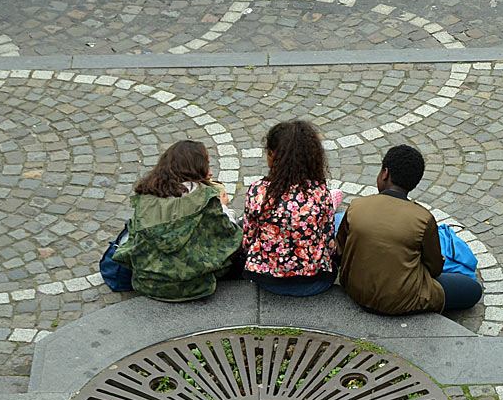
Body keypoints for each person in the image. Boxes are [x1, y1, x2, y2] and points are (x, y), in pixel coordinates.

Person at [337, 144, 482, 314]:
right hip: (402, 300)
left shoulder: (357, 206)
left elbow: (340, 251)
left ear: (385, 173)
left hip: (355, 290)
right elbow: (435, 268)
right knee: (473, 290)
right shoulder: (423, 218)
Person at [112, 140, 243, 302]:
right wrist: (224, 208)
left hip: (147, 283)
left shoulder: (145, 196)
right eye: (206, 165)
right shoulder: (204, 199)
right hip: (194, 286)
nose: (210, 172)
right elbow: (229, 238)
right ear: (195, 168)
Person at [242, 121, 338, 297]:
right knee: (338, 218)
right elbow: (329, 244)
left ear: (273, 155)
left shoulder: (258, 191)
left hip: (267, 281)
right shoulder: (320, 192)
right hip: (314, 282)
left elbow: (248, 241)